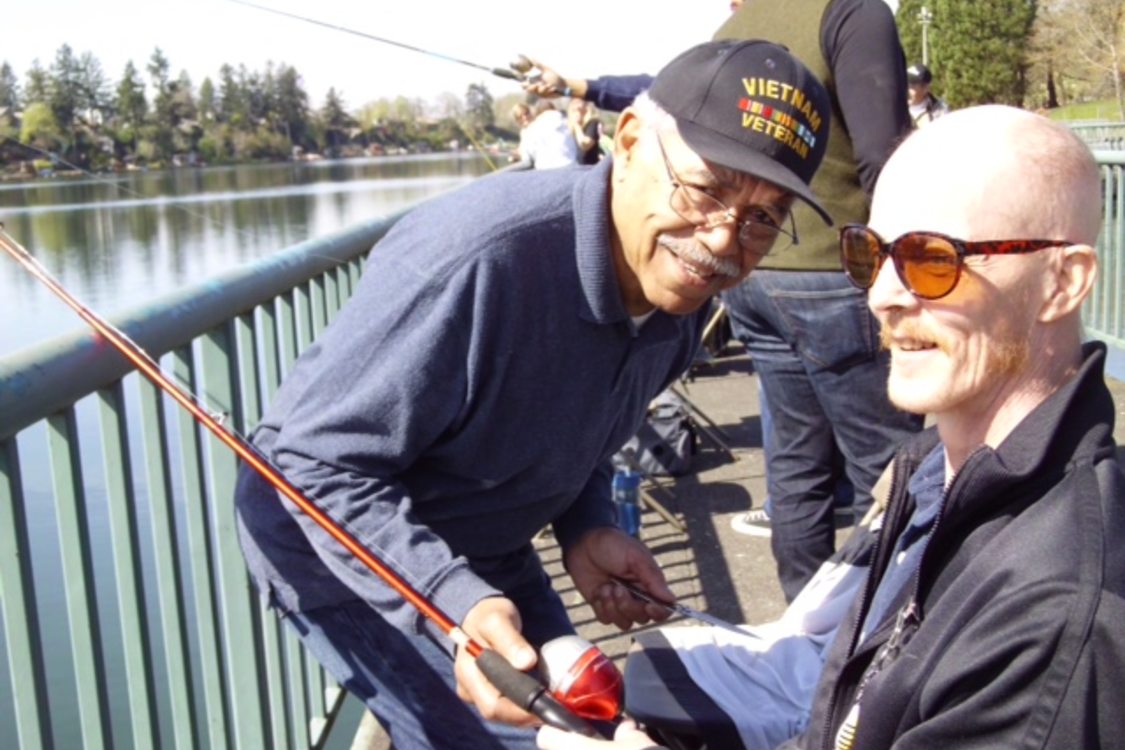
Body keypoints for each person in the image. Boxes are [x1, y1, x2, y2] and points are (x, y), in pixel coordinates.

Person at [234, 39, 833, 750]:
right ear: (630, 140)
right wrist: (457, 601)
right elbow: (309, 464)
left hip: (487, 530)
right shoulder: (477, 259)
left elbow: (578, 430)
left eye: (763, 217)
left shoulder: (681, 299)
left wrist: (585, 529)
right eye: (705, 189)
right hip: (337, 541)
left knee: (595, 720)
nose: (724, 241)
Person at [538, 104, 1125, 750]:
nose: (881, 295)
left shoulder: (1053, 616)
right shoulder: (939, 472)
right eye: (869, 254)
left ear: (1060, 283)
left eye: (933, 259)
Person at [525, 0, 925, 602]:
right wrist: (921, 263)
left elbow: (666, 100)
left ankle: (807, 636)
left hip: (751, 276)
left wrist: (582, 86)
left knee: (795, 467)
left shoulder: (733, 29)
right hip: (830, 275)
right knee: (892, 470)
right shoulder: (853, 12)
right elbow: (884, 160)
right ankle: (895, 637)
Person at [512, 98, 579, 169]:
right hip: (570, 164)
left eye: (526, 113)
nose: (525, 117)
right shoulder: (567, 121)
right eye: (520, 117)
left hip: (546, 169)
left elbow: (527, 159)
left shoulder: (532, 130)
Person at [906, 62, 950, 127]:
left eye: (911, 86)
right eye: (904, 83)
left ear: (925, 88)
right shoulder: (893, 108)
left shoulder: (940, 111)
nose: (906, 89)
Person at [567, 97, 604, 165]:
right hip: (573, 168)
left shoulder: (593, 123)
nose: (576, 104)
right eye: (573, 102)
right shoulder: (567, 127)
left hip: (588, 168)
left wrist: (576, 125)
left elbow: (585, 145)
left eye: (579, 101)